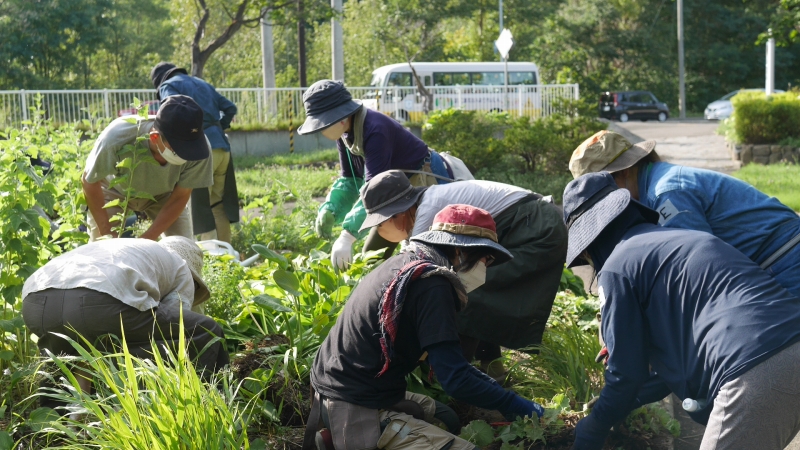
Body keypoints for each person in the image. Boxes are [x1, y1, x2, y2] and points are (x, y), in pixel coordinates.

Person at [563, 172, 800, 450]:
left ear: (591, 244)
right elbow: (666, 371)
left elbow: (626, 372)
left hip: (754, 368)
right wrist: (628, 400)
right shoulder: (680, 240)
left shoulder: (616, 269)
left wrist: (594, 425)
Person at [305, 205, 544, 450]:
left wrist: (501, 395)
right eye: (485, 259)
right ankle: (344, 438)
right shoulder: (433, 285)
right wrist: (513, 404)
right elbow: (455, 379)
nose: (485, 267)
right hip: (350, 401)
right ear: (461, 251)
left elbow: (453, 365)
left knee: (446, 418)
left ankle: (339, 438)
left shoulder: (408, 262)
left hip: (344, 385)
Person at [358, 170, 568, 378]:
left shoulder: (427, 209)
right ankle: (490, 371)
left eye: (381, 221)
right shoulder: (422, 205)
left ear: (399, 212)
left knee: (464, 293)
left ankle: (455, 376)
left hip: (534, 228)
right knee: (475, 294)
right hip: (523, 224)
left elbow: (416, 266)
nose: (380, 228)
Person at [569, 129, 800, 297]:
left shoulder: (667, 194)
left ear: (626, 170)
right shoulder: (654, 186)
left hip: (785, 259)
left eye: (603, 191)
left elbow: (699, 268)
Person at [21, 236, 229, 389]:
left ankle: (54, 431)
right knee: (205, 331)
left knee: (67, 360)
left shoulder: (128, 248)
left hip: (36, 302)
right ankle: (210, 405)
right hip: (98, 302)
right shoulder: (180, 265)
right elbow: (175, 326)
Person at [297, 79, 456, 268]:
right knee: (372, 257)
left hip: (425, 183)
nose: (321, 130)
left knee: (427, 252)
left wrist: (347, 236)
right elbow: (350, 180)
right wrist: (330, 208)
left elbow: (374, 192)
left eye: (323, 124)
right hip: (395, 191)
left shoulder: (375, 129)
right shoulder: (344, 133)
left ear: (340, 117)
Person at [82, 95, 213, 241]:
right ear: (155, 137)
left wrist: (147, 239)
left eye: (191, 147)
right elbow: (89, 181)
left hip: (165, 195)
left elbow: (181, 195)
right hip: (115, 190)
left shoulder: (200, 150)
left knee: (184, 248)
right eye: (179, 149)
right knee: (102, 251)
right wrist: (107, 234)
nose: (187, 153)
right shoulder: (116, 138)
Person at [151, 62, 240, 243]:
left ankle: (208, 258)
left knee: (199, 208)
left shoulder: (169, 86)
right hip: (222, 148)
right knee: (217, 203)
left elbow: (170, 114)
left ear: (160, 81)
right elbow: (230, 108)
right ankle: (226, 257)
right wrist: (218, 128)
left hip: (200, 150)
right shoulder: (202, 83)